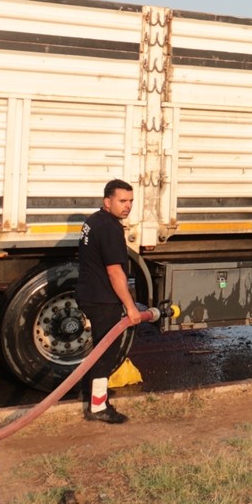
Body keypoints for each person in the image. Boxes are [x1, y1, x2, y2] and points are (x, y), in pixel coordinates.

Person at [75, 179, 143, 424]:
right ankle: (98, 407)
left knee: (100, 350)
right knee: (106, 354)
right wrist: (131, 307)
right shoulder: (110, 228)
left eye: (130, 201)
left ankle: (94, 393)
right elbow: (115, 272)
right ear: (107, 201)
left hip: (90, 294)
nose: (128, 206)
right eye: (122, 201)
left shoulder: (94, 220)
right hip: (102, 299)